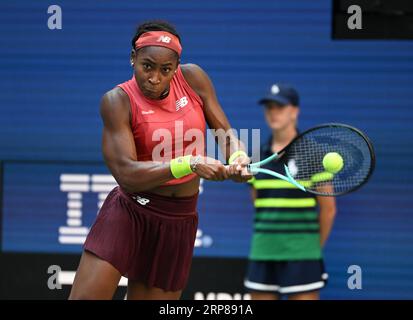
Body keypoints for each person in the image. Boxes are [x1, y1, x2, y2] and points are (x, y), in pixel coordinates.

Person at [69, 20, 251, 300]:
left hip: (178, 219)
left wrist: (237, 156)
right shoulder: (117, 101)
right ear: (133, 59)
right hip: (129, 212)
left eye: (165, 69)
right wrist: (189, 163)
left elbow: (225, 133)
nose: (155, 77)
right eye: (147, 66)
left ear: (176, 67)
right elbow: (126, 173)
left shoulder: (194, 79)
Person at [244, 83, 336, 300]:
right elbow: (257, 202)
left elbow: (328, 210)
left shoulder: (314, 154)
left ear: (295, 111)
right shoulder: (255, 158)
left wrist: (311, 249)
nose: (273, 113)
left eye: (280, 107)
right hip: (263, 251)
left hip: (302, 255)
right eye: (269, 107)